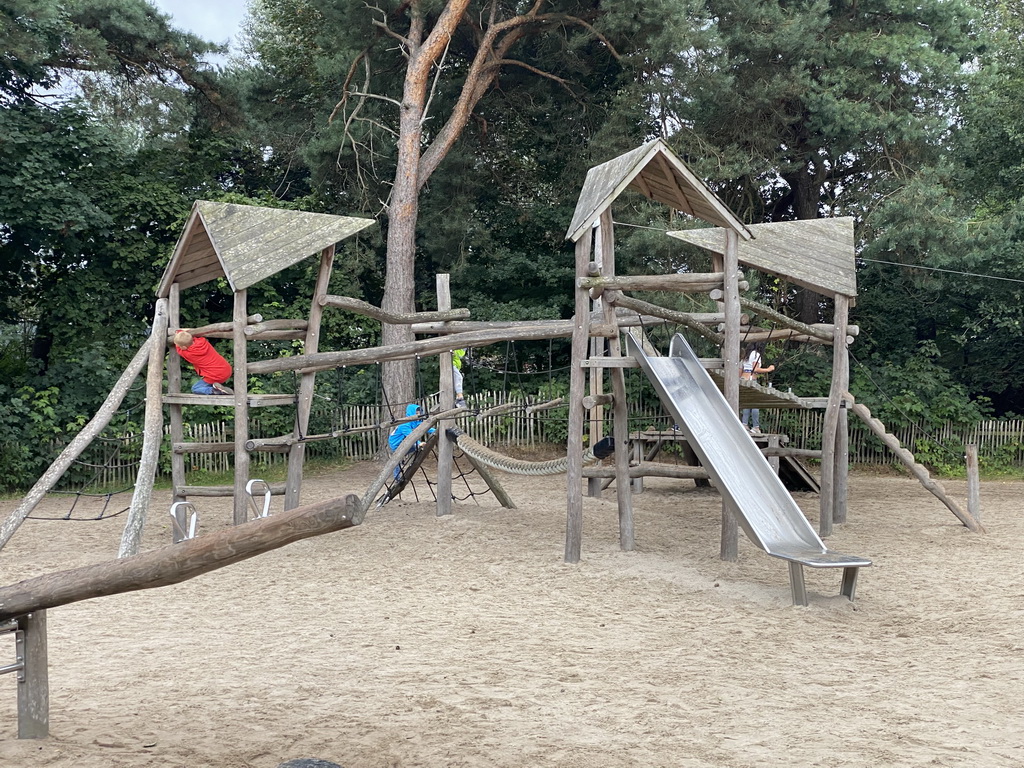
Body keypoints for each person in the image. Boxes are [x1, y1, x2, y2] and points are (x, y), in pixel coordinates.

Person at [173, 329, 233, 395]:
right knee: (205, 384)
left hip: (216, 375)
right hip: (227, 369)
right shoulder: (203, 341)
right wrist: (181, 332)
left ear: (184, 347)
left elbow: (178, 350)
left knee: (195, 388)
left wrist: (177, 334)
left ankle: (214, 391)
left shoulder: (189, 354)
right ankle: (217, 388)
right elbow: (194, 337)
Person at [388, 403, 436, 479]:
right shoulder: (404, 424)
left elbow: (425, 427)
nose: (418, 414)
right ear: (411, 413)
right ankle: (397, 477)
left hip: (404, 441)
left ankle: (407, 459)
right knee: (397, 459)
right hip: (396, 443)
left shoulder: (415, 422)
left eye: (419, 413)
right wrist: (419, 443)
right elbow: (411, 437)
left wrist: (436, 431)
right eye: (416, 413)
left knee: (417, 449)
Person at [740, 344, 775, 435]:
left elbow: (740, 369)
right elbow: (755, 368)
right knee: (755, 403)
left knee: (747, 403)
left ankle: (744, 423)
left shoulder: (745, 355)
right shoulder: (756, 354)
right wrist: (768, 369)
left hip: (743, 379)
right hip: (752, 380)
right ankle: (756, 426)